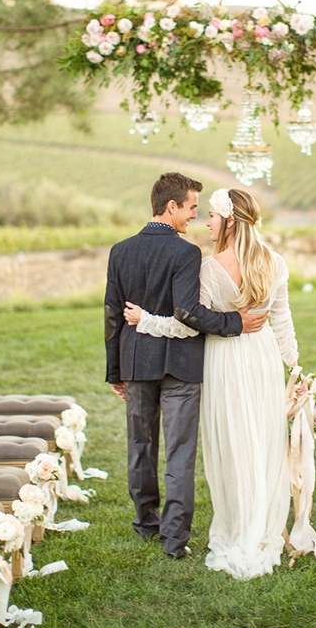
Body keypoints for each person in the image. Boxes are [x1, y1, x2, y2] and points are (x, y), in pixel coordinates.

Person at [123, 187, 299, 580]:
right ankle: (260, 525)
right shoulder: (276, 263)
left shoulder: (210, 266)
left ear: (230, 222)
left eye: (213, 218)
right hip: (264, 356)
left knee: (231, 443)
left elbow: (189, 325)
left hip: (224, 359)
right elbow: (282, 321)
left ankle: (237, 527)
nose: (207, 223)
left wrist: (146, 321)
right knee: (263, 442)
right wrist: (296, 368)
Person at [105, 172, 268, 559]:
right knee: (180, 452)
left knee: (140, 446)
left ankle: (146, 523)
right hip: (180, 366)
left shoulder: (120, 250)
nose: (195, 215)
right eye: (192, 207)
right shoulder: (186, 253)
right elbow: (187, 312)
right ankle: (174, 538)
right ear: (171, 206)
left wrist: (115, 371)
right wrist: (236, 323)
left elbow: (113, 315)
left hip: (135, 362)